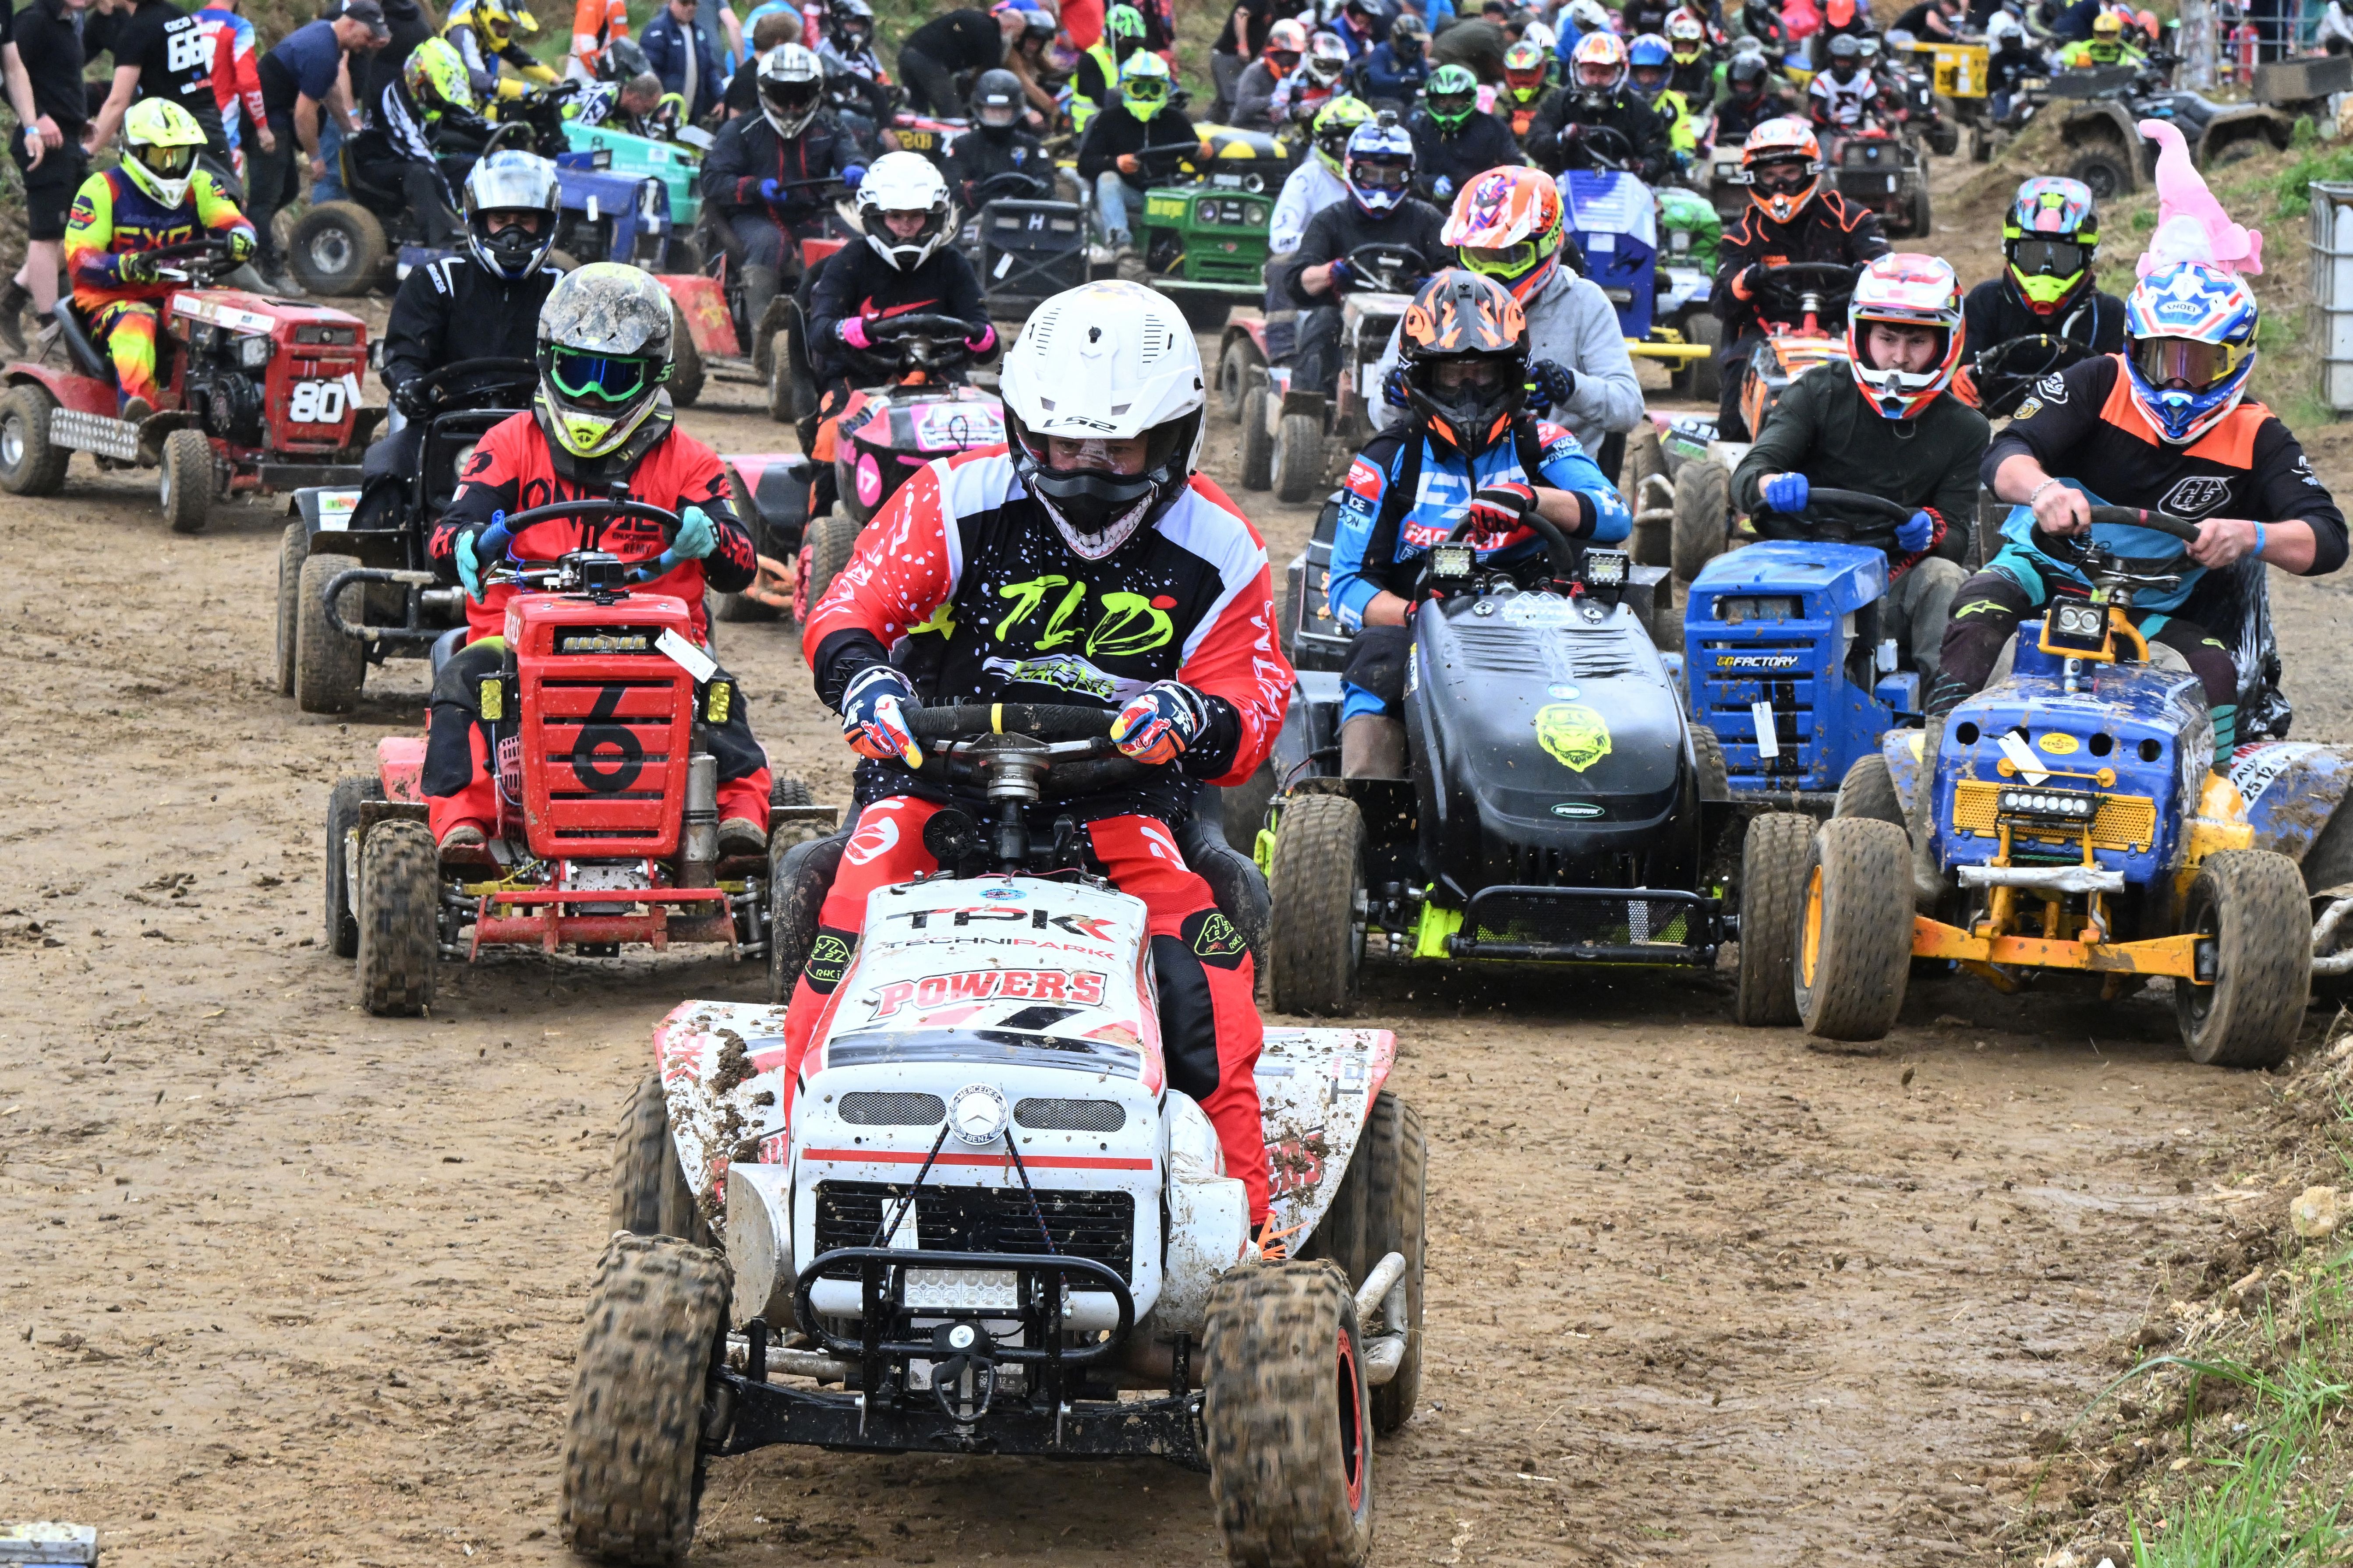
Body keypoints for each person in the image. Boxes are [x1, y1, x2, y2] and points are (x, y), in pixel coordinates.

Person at [792, 279, 1290, 1234]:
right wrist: (866, 680)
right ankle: (801, 1196)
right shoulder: (955, 496)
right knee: (844, 929)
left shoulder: (1220, 543)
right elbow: (849, 606)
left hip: (1121, 803)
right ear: (1027, 429)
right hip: (934, 787)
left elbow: (1254, 699)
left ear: (1172, 439)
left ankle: (1241, 1230)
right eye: (1067, 445)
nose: (1090, 470)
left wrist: (1193, 710)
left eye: (1118, 448)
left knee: (1205, 970)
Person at [1917, 260, 2348, 903]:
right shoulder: (2097, 382)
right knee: (1977, 611)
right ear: (2132, 348)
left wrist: (2249, 535)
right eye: (2159, 358)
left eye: (2197, 363)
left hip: (2148, 601)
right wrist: (2042, 489)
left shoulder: (2257, 434)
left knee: (2213, 670)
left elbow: (2327, 538)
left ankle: (2203, 842)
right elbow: (2005, 452)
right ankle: (1931, 817)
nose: (2176, 381)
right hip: (2045, 570)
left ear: (2235, 361)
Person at [424, 265, 768, 855]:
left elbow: (742, 564)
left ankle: (738, 815)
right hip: (517, 641)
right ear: (548, 363)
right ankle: (464, 824)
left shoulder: (690, 462)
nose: (592, 396)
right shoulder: (508, 444)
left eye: (615, 379)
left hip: (660, 641)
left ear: (652, 376)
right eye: (578, 372)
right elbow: (447, 534)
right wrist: (465, 542)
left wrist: (711, 537)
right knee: (461, 680)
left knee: (715, 688)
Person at [1327, 268, 1631, 779]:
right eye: (1451, 375)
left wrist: (1532, 498)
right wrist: (1418, 616)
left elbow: (1615, 514)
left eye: (1485, 374)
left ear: (1512, 374)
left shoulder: (1542, 442)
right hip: (1422, 626)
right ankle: (1368, 801)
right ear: (1420, 376)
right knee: (1376, 659)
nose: (1469, 392)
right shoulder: (1385, 459)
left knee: (1621, 656)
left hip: (1541, 620)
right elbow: (1345, 587)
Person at [1732, 253, 1981, 700]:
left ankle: (1943, 712)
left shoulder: (1966, 429)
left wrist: (1930, 530)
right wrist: (1772, 485)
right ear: (1862, 335)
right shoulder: (1817, 391)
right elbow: (1749, 473)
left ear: (1945, 343)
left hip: (1893, 581)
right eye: (1887, 338)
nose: (1899, 358)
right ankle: (1722, 712)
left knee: (1946, 577)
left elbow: (1957, 535)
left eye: (1917, 341)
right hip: (1800, 570)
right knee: (1723, 577)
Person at [1371, 164, 1643, 458]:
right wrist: (1394, 396)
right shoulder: (1436, 302)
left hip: (1553, 466)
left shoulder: (1584, 303)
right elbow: (1379, 416)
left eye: (1509, 256)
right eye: (1479, 256)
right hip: (1451, 467)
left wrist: (1569, 387)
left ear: (1548, 244)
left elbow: (1628, 408)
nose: (1492, 273)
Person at [357, 151, 563, 531]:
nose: (512, 235)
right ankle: (375, 562)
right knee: (387, 467)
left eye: (524, 221)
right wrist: (408, 385)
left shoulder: (564, 291)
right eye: (500, 221)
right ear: (478, 221)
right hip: (444, 425)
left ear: (546, 223)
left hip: (543, 431)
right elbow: (403, 356)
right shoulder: (435, 281)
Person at [803, 152, 994, 496]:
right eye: (895, 216)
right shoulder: (850, 261)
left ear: (933, 216)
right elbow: (819, 331)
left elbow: (982, 331)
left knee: (990, 438)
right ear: (875, 216)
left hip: (939, 376)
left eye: (916, 216)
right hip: (860, 378)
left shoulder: (951, 264)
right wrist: (845, 330)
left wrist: (982, 338)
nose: (906, 226)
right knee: (834, 434)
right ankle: (822, 516)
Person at [64, 99, 257, 419]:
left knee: (243, 314)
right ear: (135, 153)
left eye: (179, 155)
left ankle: (245, 407)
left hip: (183, 298)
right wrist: (124, 265)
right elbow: (82, 259)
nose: (171, 167)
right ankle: (142, 416)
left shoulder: (200, 185)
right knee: (138, 321)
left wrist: (242, 237)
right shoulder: (102, 189)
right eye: (161, 156)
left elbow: (231, 220)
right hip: (113, 303)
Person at [1710, 117, 1888, 439]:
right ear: (1754, 179)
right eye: (1770, 176)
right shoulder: (1742, 234)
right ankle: (1740, 446)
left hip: (1845, 328)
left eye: (1790, 173)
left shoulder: (1851, 218)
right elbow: (1720, 303)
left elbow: (1886, 266)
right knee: (1739, 368)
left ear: (1809, 171)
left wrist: (1869, 270)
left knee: (1892, 365)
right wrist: (1746, 281)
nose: (1780, 186)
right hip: (1767, 333)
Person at [701, 42, 858, 360]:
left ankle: (851, 335)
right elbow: (713, 181)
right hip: (752, 216)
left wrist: (859, 169)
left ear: (815, 93)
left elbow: (852, 156)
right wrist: (755, 188)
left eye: (800, 96)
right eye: (782, 95)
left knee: (858, 246)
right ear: (764, 92)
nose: (791, 107)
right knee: (769, 243)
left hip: (813, 215)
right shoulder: (740, 130)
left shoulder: (830, 127)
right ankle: (765, 344)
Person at [1282, 117, 1447, 400]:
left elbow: (1454, 270)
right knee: (1322, 323)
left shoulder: (1427, 219)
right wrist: (1330, 273)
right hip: (1342, 317)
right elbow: (1299, 279)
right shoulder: (1329, 220)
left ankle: (1436, 398)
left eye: (1391, 176)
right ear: (1353, 171)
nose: (1380, 184)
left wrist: (1432, 284)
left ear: (1407, 176)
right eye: (1371, 174)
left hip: (1416, 317)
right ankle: (1311, 405)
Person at [248, 3, 388, 288]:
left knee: (288, 190)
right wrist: (316, 157)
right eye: (367, 37)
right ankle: (268, 269)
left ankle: (249, 239)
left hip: (277, 116)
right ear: (351, 25)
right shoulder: (321, 50)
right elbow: (304, 113)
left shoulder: (329, 39)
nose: (367, 45)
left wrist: (349, 129)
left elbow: (332, 91)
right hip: (264, 123)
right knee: (265, 200)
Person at [1960, 176, 2125, 401]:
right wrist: (1961, 377)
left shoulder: (2109, 315)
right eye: (2033, 255)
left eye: (2063, 258)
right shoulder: (1985, 303)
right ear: (2010, 249)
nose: (2046, 270)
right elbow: (1957, 375)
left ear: (2088, 256)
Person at [0, 0, 96, 359]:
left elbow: (56, 80)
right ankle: (49, 327)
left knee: (82, 229)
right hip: (44, 146)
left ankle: (13, 297)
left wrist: (78, 119)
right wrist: (37, 118)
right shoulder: (35, 20)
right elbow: (7, 76)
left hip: (69, 141)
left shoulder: (69, 23)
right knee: (47, 236)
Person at [84, 0, 239, 191]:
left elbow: (118, 102)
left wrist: (87, 150)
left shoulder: (137, 30)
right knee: (226, 194)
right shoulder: (178, 14)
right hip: (209, 120)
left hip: (172, 132)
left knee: (175, 200)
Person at [352, 35, 487, 253]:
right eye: (436, 91)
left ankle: (486, 228)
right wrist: (454, 208)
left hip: (409, 163)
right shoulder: (394, 97)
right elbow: (418, 153)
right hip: (376, 166)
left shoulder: (433, 101)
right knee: (420, 173)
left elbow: (468, 120)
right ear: (419, 81)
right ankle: (441, 243)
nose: (439, 98)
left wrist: (502, 130)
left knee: (472, 167)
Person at [1076, 52, 1201, 255]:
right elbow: (1085, 164)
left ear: (1165, 90)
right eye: (1139, 88)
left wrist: (1204, 156)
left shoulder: (1177, 120)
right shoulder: (1108, 119)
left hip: (1170, 194)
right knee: (1108, 180)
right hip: (1130, 193)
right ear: (1126, 88)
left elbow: (1197, 161)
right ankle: (1120, 242)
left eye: (1154, 89)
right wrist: (1115, 163)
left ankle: (1198, 248)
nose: (1146, 96)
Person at [1528, 32, 1670, 181]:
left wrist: (1640, 167)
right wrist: (1562, 138)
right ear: (1576, 71)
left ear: (1621, 73)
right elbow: (1534, 143)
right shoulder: (1559, 101)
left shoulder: (1638, 108)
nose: (1596, 80)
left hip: (1621, 186)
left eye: (1604, 73)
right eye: (1590, 73)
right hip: (1564, 183)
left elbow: (1657, 156)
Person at [1408, 62, 1521, 204]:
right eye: (1442, 101)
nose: (1449, 109)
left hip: (1486, 202)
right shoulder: (1419, 128)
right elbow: (1409, 174)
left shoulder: (1493, 126)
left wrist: (1492, 183)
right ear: (1431, 101)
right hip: (1433, 205)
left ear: (1470, 99)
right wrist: (1432, 183)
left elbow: (1516, 166)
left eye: (1457, 101)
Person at [1270, 92, 1369, 253]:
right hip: (1317, 260)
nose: (1351, 155)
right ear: (1325, 144)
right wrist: (1329, 244)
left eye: (1360, 146)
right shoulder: (1305, 179)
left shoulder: (1381, 180)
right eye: (1343, 145)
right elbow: (1280, 239)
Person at [944, 67, 1048, 209]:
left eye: (1004, 110)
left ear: (1015, 109)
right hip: (976, 215)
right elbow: (953, 185)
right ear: (980, 108)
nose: (998, 116)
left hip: (1022, 213)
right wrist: (975, 191)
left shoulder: (1031, 146)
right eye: (993, 110)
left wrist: (1038, 188)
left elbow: (1045, 181)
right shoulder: (963, 146)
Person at [895, 2, 1023, 117]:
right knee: (954, 116)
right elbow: (993, 75)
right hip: (928, 61)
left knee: (917, 113)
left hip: (908, 54)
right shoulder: (990, 34)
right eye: (1017, 37)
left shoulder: (976, 19)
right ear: (1009, 28)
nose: (1016, 41)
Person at [193, 0, 267, 178]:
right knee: (227, 192)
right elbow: (248, 81)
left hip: (184, 126)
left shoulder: (187, 23)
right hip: (222, 129)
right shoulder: (239, 26)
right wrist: (262, 125)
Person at [441, 0, 558, 103]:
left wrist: (556, 80)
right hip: (453, 106)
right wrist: (528, 90)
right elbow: (479, 81)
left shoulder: (485, 27)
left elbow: (520, 59)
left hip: (470, 99)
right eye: (502, 25)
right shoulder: (463, 33)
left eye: (508, 26)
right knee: (514, 109)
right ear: (487, 17)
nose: (503, 32)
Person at [643, 0, 724, 120]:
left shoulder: (699, 31)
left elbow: (709, 69)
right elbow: (650, 74)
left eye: (694, 3)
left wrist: (721, 98)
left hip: (691, 114)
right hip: (663, 114)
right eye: (684, 3)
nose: (690, 8)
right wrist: (660, 108)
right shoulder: (657, 30)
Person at [1071, 1, 1143, 131]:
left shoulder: (1141, 55)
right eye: (1127, 42)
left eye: (1135, 42)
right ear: (1111, 36)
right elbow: (1103, 100)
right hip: (1091, 129)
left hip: (1127, 125)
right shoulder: (1091, 59)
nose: (1131, 48)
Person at [1625, 32, 1696, 163]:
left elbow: (1684, 139)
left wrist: (1681, 156)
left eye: (1653, 74)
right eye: (1643, 74)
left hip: (1662, 165)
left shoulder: (1674, 102)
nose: (1647, 80)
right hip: (1622, 165)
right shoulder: (1620, 101)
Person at [1232, 16, 1305, 131]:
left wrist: (1297, 97)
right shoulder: (1255, 71)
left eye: (1293, 56)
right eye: (1284, 54)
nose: (1288, 60)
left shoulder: (1294, 76)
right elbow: (1244, 104)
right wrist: (1272, 100)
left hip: (1275, 130)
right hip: (1245, 127)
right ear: (1274, 53)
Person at [1269, 29, 1351, 131]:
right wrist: (1294, 113)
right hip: (1294, 135)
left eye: (1334, 66)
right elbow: (1275, 115)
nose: (1328, 70)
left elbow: (1350, 110)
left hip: (1326, 135)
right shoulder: (1292, 81)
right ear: (1310, 59)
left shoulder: (1340, 87)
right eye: (1322, 65)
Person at [1211, 0, 1278, 120]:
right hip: (1229, 55)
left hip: (1241, 60)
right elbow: (1241, 14)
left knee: (1223, 103)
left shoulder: (1271, 5)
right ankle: (1235, 129)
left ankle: (1207, 125)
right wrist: (1243, 46)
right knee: (1235, 101)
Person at [1712, 49, 1794, 142]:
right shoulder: (1724, 110)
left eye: (1747, 85)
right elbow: (1712, 141)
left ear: (1758, 83)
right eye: (1740, 84)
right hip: (1729, 150)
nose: (1743, 89)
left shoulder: (1774, 110)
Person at [1807, 32, 1878, 129]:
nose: (1843, 65)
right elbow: (1816, 111)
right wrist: (1829, 118)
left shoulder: (1865, 82)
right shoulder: (1822, 81)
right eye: (1839, 61)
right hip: (1828, 128)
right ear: (1832, 61)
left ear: (1854, 62)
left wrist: (1882, 118)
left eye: (1846, 62)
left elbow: (1875, 108)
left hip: (1856, 128)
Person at [1358, 11, 1429, 109]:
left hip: (1410, 101)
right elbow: (1377, 79)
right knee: (1398, 107)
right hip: (1381, 100)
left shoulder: (1417, 57)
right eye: (1410, 41)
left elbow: (1428, 79)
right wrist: (1403, 81)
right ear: (1397, 38)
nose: (1414, 47)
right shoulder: (1381, 51)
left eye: (1418, 42)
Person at [1496, 36, 1557, 143]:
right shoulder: (1503, 99)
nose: (1522, 78)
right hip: (1514, 151)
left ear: (1541, 70)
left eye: (1528, 72)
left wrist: (1532, 127)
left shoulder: (1555, 95)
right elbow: (1495, 133)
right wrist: (1512, 128)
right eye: (1517, 73)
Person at [570, 0, 633, 78]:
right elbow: (583, 41)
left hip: (613, 72)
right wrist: (602, 72)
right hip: (588, 77)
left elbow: (621, 39)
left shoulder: (618, 3)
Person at [1665, 11, 1714, 111]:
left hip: (1696, 113)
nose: (1684, 49)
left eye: (1689, 46)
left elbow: (1705, 96)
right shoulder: (1665, 64)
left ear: (1697, 46)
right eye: (1681, 45)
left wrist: (1685, 96)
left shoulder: (1705, 67)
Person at [2057, 8, 2141, 65]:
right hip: (2090, 81)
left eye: (2109, 33)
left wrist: (2143, 62)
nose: (2104, 36)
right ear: (2095, 32)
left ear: (2117, 33)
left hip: (2117, 80)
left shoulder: (2121, 46)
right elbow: (2072, 48)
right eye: (2101, 33)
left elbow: (2140, 56)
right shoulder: (2089, 45)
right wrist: (2070, 58)